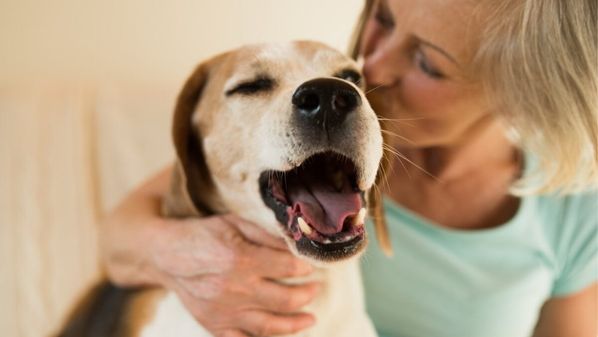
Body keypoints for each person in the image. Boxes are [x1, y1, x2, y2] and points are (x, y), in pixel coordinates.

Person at [99, 0, 597, 336]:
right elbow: (122, 240)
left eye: (427, 62)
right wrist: (194, 260)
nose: (372, 69)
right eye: (382, 15)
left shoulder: (575, 208)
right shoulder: (302, 139)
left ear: (522, 93)